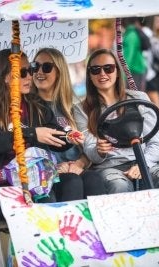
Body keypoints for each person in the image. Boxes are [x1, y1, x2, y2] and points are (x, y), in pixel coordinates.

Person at [0, 49, 75, 219]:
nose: (29, 77)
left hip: (36, 180)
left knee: (66, 186)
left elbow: (56, 137)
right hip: (2, 185)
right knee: (44, 202)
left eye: (30, 70)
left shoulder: (36, 106)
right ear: (5, 77)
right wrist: (31, 134)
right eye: (22, 72)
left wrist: (69, 137)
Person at [74, 48, 159, 194]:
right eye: (95, 70)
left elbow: (155, 144)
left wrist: (143, 165)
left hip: (144, 161)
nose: (102, 74)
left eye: (108, 68)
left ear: (117, 72)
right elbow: (91, 151)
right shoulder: (81, 109)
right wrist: (99, 151)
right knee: (119, 186)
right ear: (89, 76)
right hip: (109, 168)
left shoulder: (139, 99)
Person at [31, 47, 107, 200]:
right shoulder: (28, 106)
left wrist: (79, 163)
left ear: (59, 72)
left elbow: (88, 146)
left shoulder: (73, 106)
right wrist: (55, 168)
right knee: (72, 182)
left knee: (94, 179)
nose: (39, 72)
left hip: (74, 168)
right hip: (42, 173)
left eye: (46, 67)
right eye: (35, 66)